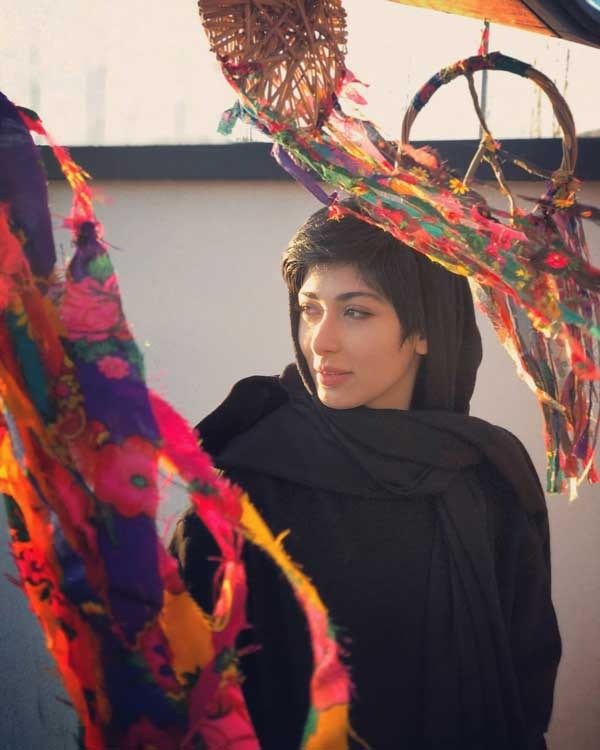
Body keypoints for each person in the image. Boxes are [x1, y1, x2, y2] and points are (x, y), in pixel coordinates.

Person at [170, 201, 561, 750]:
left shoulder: (486, 476)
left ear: (424, 329)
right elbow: (185, 691)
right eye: (310, 309)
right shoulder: (246, 489)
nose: (321, 341)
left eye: (355, 312)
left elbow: (526, 682)